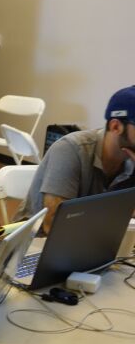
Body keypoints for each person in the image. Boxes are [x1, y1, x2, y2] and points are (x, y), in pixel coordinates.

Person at [15, 85, 135, 234]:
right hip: (36, 242)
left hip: (94, 241)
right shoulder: (71, 149)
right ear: (116, 126)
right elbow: (53, 226)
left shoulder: (130, 160)